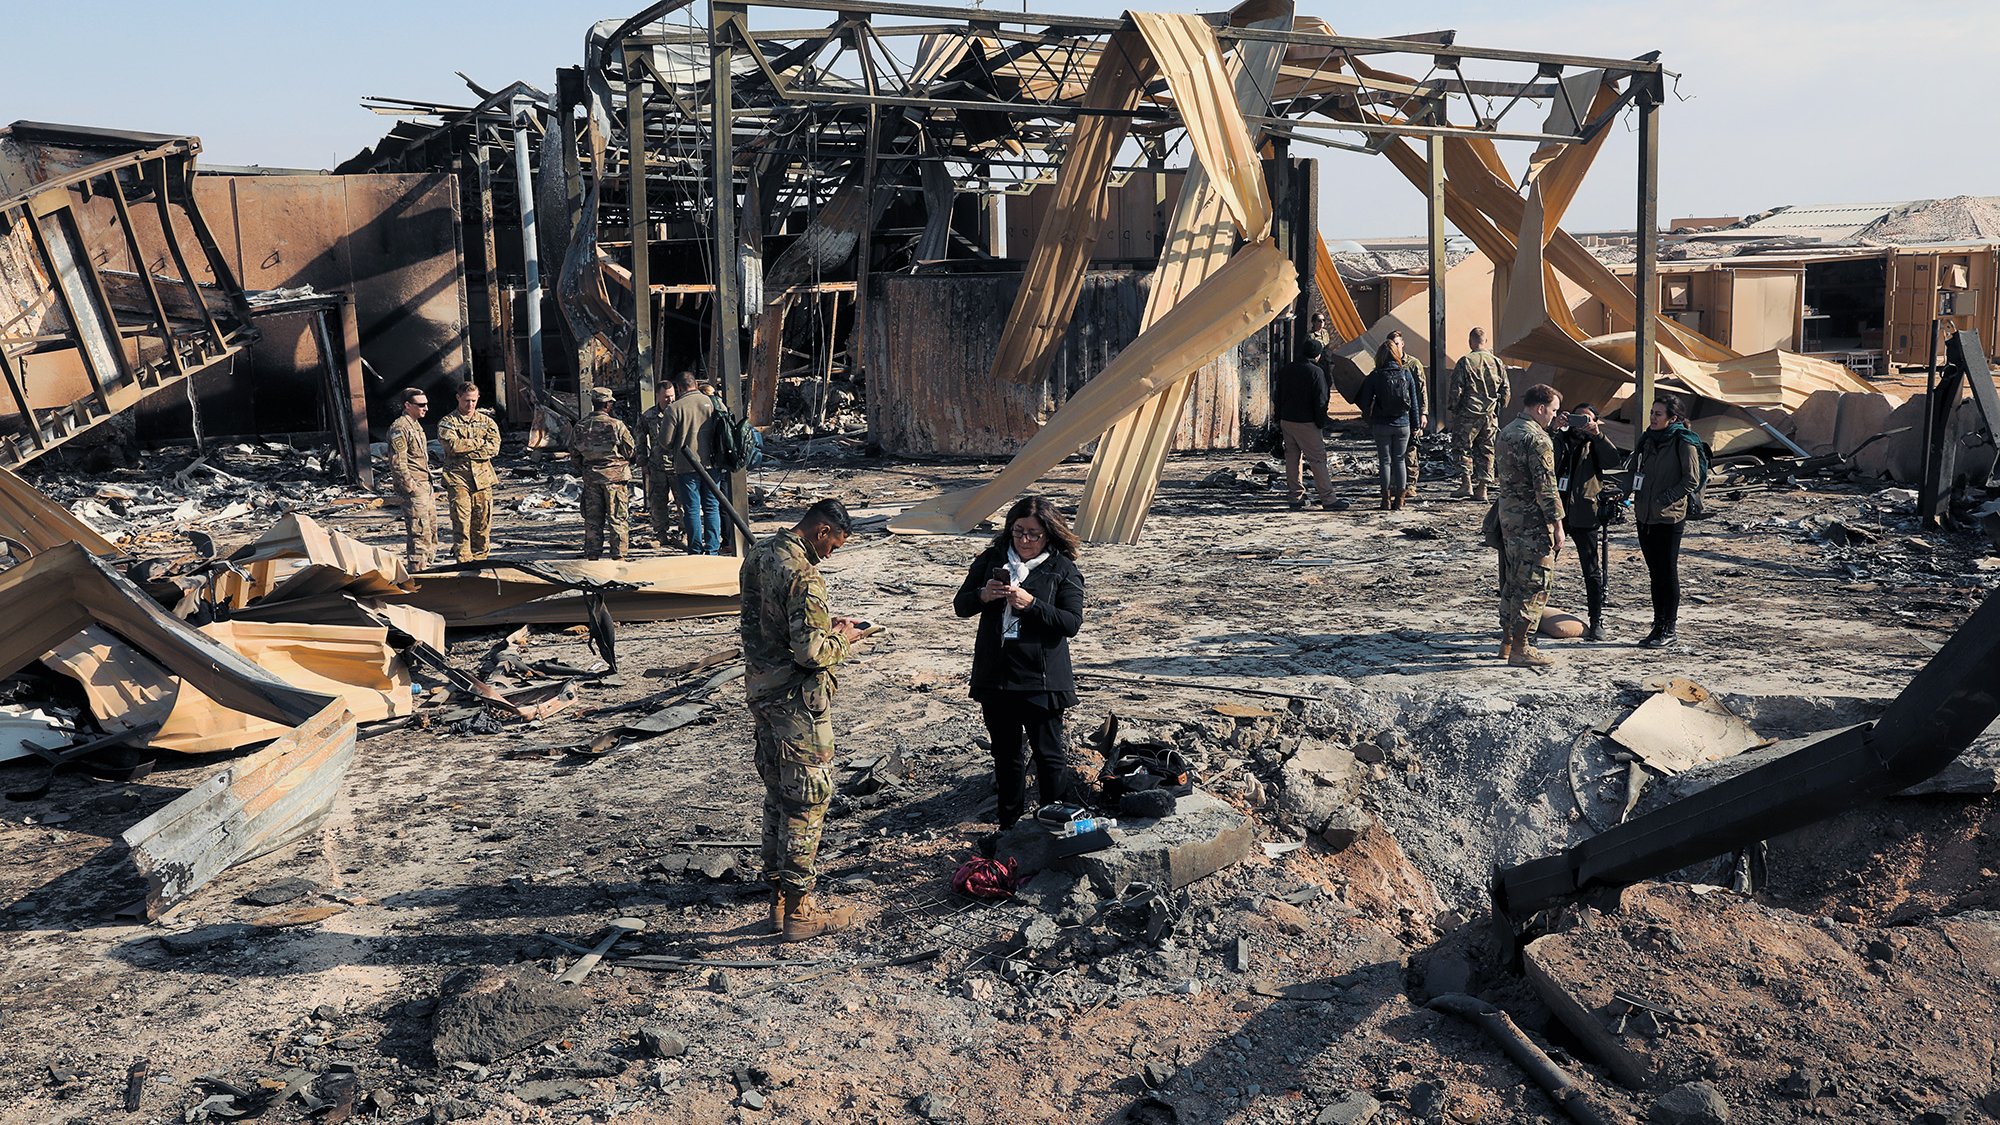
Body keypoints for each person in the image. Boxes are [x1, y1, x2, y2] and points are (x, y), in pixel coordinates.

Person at [741, 499, 865, 941]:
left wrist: (819, 625)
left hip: (762, 690)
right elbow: (811, 653)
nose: (832, 552)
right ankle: (800, 909)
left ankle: (776, 900)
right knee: (808, 799)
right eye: (834, 543)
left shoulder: (759, 554)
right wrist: (845, 639)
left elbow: (767, 622)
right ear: (821, 530)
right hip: (797, 703)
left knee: (777, 793)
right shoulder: (805, 575)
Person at [952, 495, 1087, 831]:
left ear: (1049, 534)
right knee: (1006, 756)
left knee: (1048, 755)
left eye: (1033, 534)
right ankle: (1009, 825)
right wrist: (984, 595)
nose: (1025, 541)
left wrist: (1032, 605)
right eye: (1018, 532)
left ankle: (1055, 823)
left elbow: (1071, 622)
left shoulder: (1062, 568)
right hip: (996, 676)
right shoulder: (991, 560)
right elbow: (961, 605)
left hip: (1041, 679)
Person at [1494, 384, 1566, 667]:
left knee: (1513, 580)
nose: (1554, 416)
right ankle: (1522, 648)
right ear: (1540, 408)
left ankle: (1507, 641)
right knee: (1535, 583)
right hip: (1532, 522)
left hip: (1509, 518)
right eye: (1553, 410)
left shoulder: (1508, 431)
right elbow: (1546, 488)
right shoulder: (1537, 440)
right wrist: (1558, 524)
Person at [1632, 393, 1702, 649]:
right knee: (1654, 573)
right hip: (1645, 515)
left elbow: (1691, 479)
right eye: (1652, 412)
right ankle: (1657, 624)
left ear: (1672, 418)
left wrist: (1665, 498)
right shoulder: (1648, 440)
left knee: (1667, 571)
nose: (1652, 417)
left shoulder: (1683, 442)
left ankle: (1669, 628)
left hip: (1669, 517)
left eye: (1658, 414)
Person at [1552, 402, 1624, 641]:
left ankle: (1596, 620)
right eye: (1576, 418)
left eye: (1586, 420)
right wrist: (1554, 429)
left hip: (1585, 512)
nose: (1579, 425)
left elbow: (1613, 461)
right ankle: (1528, 619)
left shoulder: (1595, 444)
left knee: (1592, 571)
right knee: (1543, 567)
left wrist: (1598, 435)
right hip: (1556, 512)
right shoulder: (1558, 440)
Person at [437, 379, 501, 563]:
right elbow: (452, 447)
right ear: (458, 398)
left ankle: (481, 559)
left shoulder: (487, 422)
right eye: (466, 400)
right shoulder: (447, 422)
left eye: (474, 400)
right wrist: (479, 443)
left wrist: (467, 449)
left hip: (482, 479)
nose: (470, 404)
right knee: (461, 521)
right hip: (458, 478)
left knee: (482, 522)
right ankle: (464, 560)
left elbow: (494, 448)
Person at [1272, 339, 1340, 510]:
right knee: (1318, 460)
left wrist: (1278, 418)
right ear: (1317, 354)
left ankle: (1295, 496)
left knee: (1293, 459)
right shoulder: (1316, 372)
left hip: (1287, 420)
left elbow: (1277, 395)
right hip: (1307, 422)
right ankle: (1328, 499)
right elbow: (1321, 400)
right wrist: (1320, 422)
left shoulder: (1287, 369)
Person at [1356, 335, 1421, 510]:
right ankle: (1400, 499)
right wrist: (1415, 425)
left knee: (1384, 461)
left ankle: (1385, 499)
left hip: (1381, 424)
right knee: (1400, 460)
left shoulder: (1375, 376)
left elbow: (1364, 401)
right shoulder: (1406, 374)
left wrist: (1370, 419)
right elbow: (1414, 402)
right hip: (1403, 424)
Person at [572, 386, 637, 560]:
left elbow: (574, 455)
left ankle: (593, 554)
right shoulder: (617, 425)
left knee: (593, 520)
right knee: (617, 518)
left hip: (591, 479)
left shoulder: (580, 426)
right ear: (608, 405)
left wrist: (587, 469)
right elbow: (630, 451)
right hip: (615, 479)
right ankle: (619, 555)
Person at [665, 369, 723, 555]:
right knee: (712, 507)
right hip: (713, 463)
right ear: (696, 384)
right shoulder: (714, 403)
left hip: (686, 465)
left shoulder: (675, 408)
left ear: (679, 388)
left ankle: (696, 550)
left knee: (692, 509)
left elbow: (665, 442)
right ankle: (713, 549)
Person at [1450, 328, 1511, 501]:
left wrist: (1454, 409)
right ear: (1486, 341)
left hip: (1468, 413)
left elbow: (1456, 389)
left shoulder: (1465, 362)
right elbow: (1506, 390)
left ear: (1470, 342)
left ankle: (1466, 483)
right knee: (1487, 450)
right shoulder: (1497, 362)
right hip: (1490, 414)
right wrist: (1499, 407)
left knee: (1462, 447)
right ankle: (1482, 488)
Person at [386, 386, 437, 571]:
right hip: (416, 488)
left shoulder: (415, 426)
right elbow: (398, 462)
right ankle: (418, 571)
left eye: (426, 404)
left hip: (425, 485)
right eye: (421, 405)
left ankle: (427, 567)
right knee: (419, 532)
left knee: (430, 530)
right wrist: (411, 487)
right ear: (407, 405)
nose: (426, 408)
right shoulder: (400, 428)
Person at [640, 382, 680, 550]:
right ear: (658, 396)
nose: (670, 399)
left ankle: (684, 533)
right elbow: (640, 439)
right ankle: (660, 534)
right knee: (657, 502)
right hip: (657, 465)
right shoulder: (648, 416)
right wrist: (642, 462)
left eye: (672, 395)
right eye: (666, 396)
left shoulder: (679, 412)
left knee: (683, 502)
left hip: (678, 465)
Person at [1391, 331, 1429, 503]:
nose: (1395, 348)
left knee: (1411, 450)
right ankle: (1395, 484)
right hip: (1394, 415)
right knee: (1394, 452)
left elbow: (1422, 390)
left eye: (1397, 344)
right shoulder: (1387, 363)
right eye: (1392, 344)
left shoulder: (1413, 364)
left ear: (1402, 344)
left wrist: (1423, 413)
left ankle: (1411, 484)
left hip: (1411, 414)